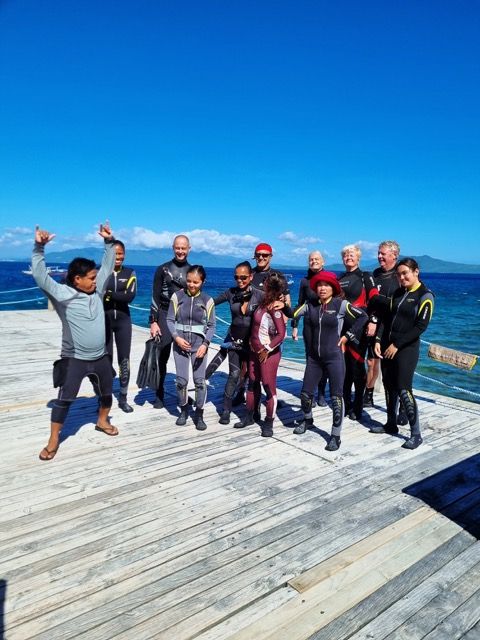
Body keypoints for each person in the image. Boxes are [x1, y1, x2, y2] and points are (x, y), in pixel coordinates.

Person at [32, 222, 119, 461]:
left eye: (95, 277)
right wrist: (39, 248)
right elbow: (40, 277)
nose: (95, 280)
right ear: (77, 279)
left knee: (106, 393)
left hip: (100, 357)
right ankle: (53, 440)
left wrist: (109, 242)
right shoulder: (63, 295)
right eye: (91, 278)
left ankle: (102, 421)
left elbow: (107, 265)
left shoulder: (97, 290)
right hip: (75, 359)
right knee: (64, 400)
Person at [290, 272, 368, 451]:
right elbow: (293, 313)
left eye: (327, 285)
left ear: (333, 288)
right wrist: (281, 305)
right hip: (314, 359)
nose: (322, 288)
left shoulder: (340, 305)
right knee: (305, 395)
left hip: (334, 358)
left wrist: (348, 335)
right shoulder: (310, 305)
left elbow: (363, 317)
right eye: (319, 285)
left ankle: (335, 436)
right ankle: (308, 420)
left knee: (336, 398)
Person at [370, 258, 434, 449]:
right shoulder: (399, 293)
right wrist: (378, 340)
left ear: (416, 272)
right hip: (387, 347)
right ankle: (391, 424)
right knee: (389, 386)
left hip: (406, 349)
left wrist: (397, 345)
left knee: (404, 389)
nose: (402, 277)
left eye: (405, 273)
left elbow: (420, 327)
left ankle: (416, 434)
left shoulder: (425, 295)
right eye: (398, 274)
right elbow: (386, 318)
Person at [231, 242, 290, 408]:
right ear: (254, 256)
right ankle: (241, 392)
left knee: (269, 367)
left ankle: (270, 396)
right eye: (258, 255)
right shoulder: (250, 274)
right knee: (247, 366)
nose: (261, 258)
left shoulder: (277, 275)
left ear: (271, 256)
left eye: (265, 255)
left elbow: (286, 301)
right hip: (252, 329)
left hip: (272, 332)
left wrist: (283, 325)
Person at [207, 261, 264, 425]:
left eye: (243, 277)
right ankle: (226, 411)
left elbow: (273, 311)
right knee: (233, 375)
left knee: (253, 378)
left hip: (252, 342)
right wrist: (192, 297)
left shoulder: (260, 295)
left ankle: (255, 410)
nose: (240, 280)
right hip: (234, 339)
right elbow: (210, 302)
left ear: (251, 277)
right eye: (236, 277)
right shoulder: (230, 293)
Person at [234, 271, 287, 437]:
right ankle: (249, 416)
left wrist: (267, 349)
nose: (262, 283)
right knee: (252, 384)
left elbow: (281, 334)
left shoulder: (275, 308)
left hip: (267, 354)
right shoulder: (263, 303)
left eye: (265, 282)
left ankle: (269, 423)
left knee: (268, 388)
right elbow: (256, 327)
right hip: (254, 352)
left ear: (270, 286)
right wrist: (251, 341)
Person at [166, 265, 216, 430]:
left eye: (196, 282)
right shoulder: (177, 296)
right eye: (189, 281)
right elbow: (170, 320)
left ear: (203, 282)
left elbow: (212, 326)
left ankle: (199, 414)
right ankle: (184, 410)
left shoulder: (207, 300)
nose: (191, 285)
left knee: (200, 381)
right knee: (181, 381)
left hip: (199, 346)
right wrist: (177, 338)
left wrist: (205, 344)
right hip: (180, 344)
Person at [149, 235, 191, 409]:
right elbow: (155, 295)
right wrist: (153, 321)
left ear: (189, 249)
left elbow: (196, 297)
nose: (180, 251)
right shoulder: (162, 269)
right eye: (177, 248)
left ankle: (183, 394)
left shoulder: (192, 270)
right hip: (165, 314)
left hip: (184, 316)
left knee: (184, 357)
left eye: (183, 248)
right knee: (162, 357)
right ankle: (159, 393)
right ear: (173, 248)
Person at [338, 244, 379, 421]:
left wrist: (373, 320)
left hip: (359, 328)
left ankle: (358, 405)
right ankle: (346, 402)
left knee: (356, 366)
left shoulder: (365, 276)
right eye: (346, 255)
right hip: (341, 329)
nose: (348, 257)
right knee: (344, 368)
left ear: (358, 258)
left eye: (352, 255)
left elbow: (375, 299)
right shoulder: (339, 278)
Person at [363, 240, 401, 407]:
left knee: (394, 366)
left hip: (392, 327)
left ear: (394, 255)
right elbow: (372, 301)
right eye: (378, 253)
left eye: (383, 254)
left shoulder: (400, 274)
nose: (379, 256)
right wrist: (372, 319)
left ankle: (398, 403)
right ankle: (368, 393)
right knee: (371, 361)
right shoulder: (376, 274)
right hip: (374, 324)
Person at [291, 250, 328, 407]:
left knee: (324, 358)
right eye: (311, 259)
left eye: (317, 259)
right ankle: (310, 393)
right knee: (310, 359)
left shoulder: (328, 279)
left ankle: (321, 393)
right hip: (309, 324)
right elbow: (300, 304)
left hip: (326, 323)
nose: (314, 261)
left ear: (323, 261)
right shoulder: (304, 281)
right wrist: (294, 326)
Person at [103, 240, 137, 412]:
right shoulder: (102, 272)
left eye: (121, 253)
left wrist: (108, 294)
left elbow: (129, 297)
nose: (118, 256)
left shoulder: (130, 273)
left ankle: (123, 398)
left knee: (124, 361)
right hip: (104, 322)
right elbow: (97, 293)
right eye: (115, 253)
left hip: (123, 321)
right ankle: (104, 399)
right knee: (105, 362)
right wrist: (118, 294)